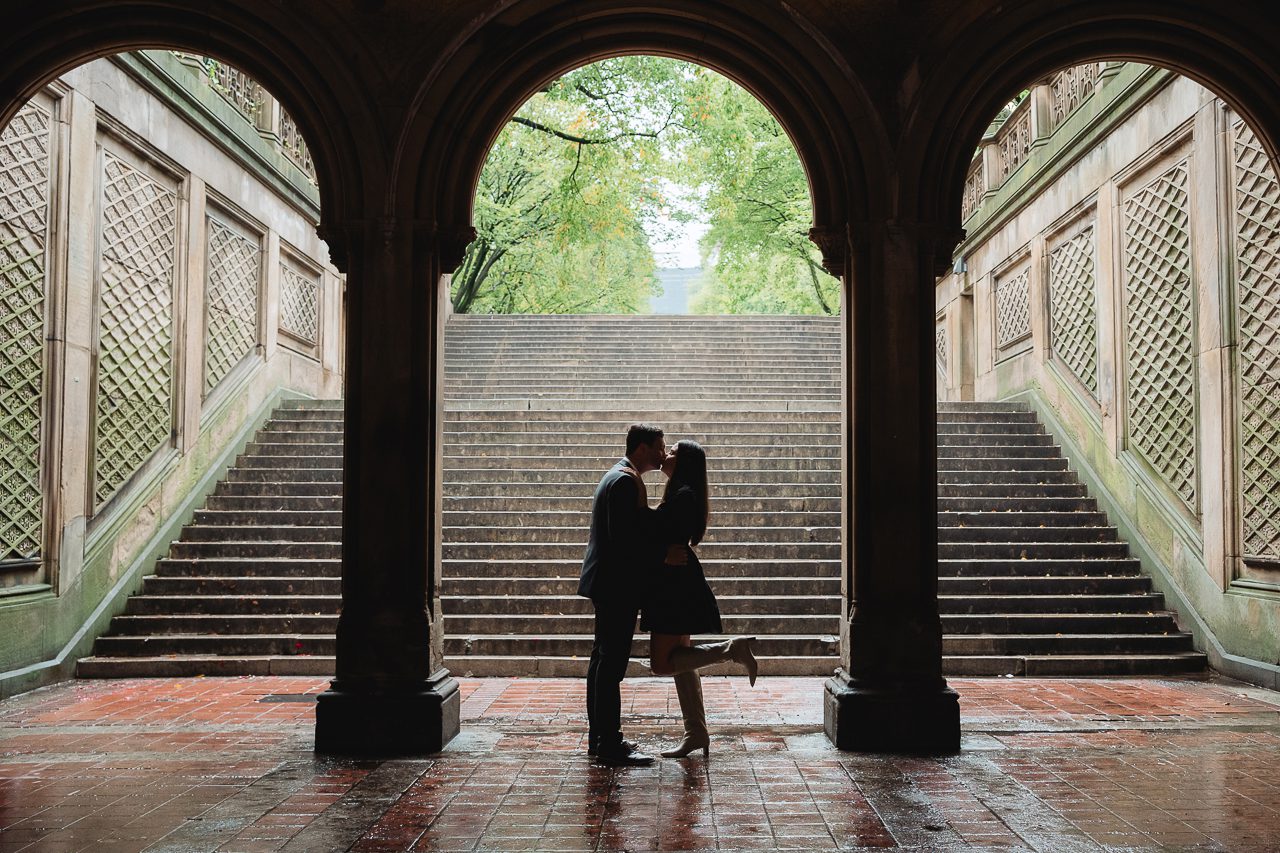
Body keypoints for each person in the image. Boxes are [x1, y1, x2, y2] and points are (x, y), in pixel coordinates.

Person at [643, 439, 758, 758]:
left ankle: (730, 649)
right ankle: (696, 732)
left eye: (674, 452)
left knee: (662, 663)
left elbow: (662, 537)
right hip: (677, 580)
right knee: (680, 657)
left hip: (672, 583)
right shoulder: (683, 493)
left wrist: (656, 548)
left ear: (685, 463)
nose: (667, 454)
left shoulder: (682, 496)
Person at [578, 423, 669, 767]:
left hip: (607, 583)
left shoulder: (618, 476)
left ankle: (599, 736)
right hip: (616, 586)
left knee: (602, 660)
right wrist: (662, 555)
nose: (663, 453)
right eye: (660, 447)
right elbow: (626, 541)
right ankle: (609, 742)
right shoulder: (624, 482)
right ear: (643, 448)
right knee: (611, 663)